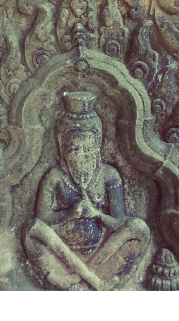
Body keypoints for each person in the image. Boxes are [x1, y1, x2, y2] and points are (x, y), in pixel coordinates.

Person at [24, 91, 151, 290]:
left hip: (103, 251)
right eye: (75, 149)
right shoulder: (55, 176)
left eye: (88, 148)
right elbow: (43, 219)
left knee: (140, 228)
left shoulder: (109, 175)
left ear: (98, 146)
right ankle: (91, 280)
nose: (82, 155)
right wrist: (69, 213)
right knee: (31, 229)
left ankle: (78, 277)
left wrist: (97, 215)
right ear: (62, 147)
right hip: (63, 251)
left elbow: (118, 222)